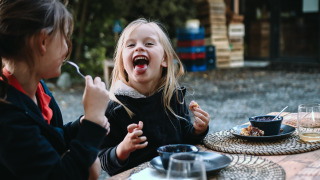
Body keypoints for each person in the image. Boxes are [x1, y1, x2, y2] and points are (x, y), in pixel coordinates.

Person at [0, 0, 110, 179]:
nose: (67, 49)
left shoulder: (39, 90)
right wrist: (93, 125)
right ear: (43, 41)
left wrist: (82, 124)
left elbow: (51, 138)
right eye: (65, 37)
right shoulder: (7, 115)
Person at [99, 18, 210, 175]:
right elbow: (103, 159)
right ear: (123, 63)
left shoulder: (173, 96)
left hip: (174, 175)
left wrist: (198, 130)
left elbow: (186, 140)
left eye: (148, 43)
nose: (138, 48)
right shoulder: (115, 107)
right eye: (131, 45)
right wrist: (122, 149)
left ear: (165, 59)